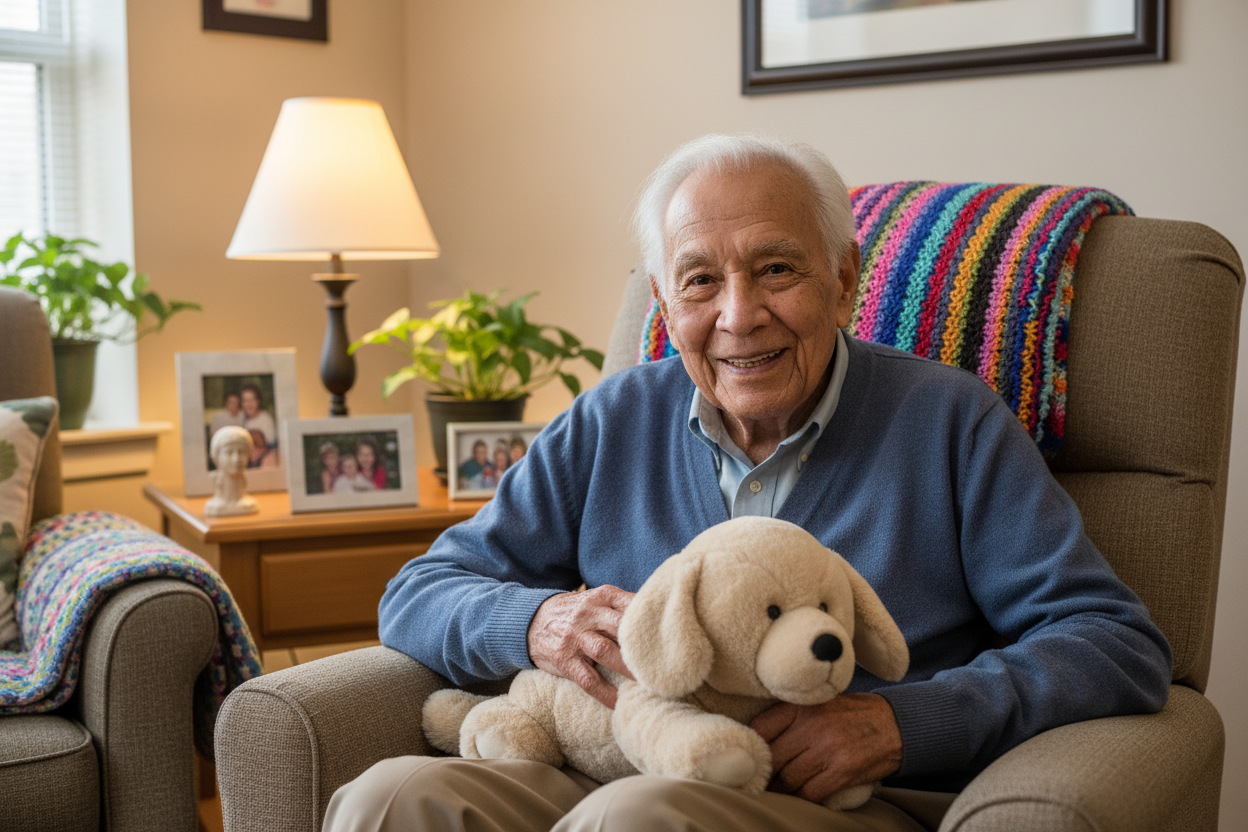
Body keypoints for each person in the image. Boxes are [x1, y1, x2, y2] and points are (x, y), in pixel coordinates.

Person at [325, 135, 1172, 832]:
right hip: (614, 765)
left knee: (639, 817)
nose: (738, 316)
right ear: (664, 305)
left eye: (776, 270)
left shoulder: (949, 420)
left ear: (843, 280)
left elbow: (1113, 642)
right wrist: (537, 623)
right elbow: (419, 592)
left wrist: (904, 723)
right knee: (393, 797)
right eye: (700, 280)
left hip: (837, 801)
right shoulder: (613, 418)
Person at [204, 425, 258, 517]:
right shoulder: (216, 507)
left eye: (241, 452)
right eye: (229, 452)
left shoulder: (249, 504)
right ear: (217, 456)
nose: (236, 459)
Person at [240, 383, 277, 449]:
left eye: (252, 400)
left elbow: (271, 447)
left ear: (258, 401)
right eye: (246, 401)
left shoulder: (266, 419)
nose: (249, 404)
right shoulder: (243, 419)